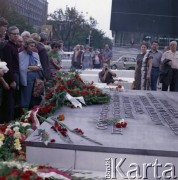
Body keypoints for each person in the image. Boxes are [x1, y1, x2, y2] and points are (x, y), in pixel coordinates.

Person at [1, 26, 20, 122]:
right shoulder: (8, 47)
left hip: (14, 76)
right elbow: (9, 65)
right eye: (14, 34)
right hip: (9, 79)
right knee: (8, 104)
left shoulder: (14, 46)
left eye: (17, 34)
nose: (16, 36)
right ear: (9, 35)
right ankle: (7, 124)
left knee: (12, 103)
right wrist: (12, 80)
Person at [19, 38, 43, 108]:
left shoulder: (36, 54)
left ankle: (33, 112)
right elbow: (22, 68)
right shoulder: (20, 55)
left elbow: (39, 66)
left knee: (35, 96)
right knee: (26, 96)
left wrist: (30, 67)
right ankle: (24, 113)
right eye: (31, 46)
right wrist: (33, 68)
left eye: (34, 46)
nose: (33, 48)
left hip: (36, 79)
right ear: (26, 45)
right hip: (26, 79)